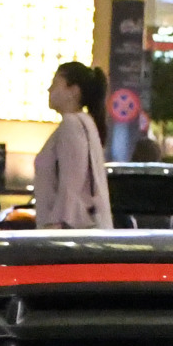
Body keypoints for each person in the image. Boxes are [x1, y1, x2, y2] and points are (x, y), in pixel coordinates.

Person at [34, 60, 113, 230]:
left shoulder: (71, 125)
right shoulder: (85, 123)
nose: (49, 90)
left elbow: (71, 184)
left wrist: (55, 227)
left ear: (73, 91)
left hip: (66, 232)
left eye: (55, 84)